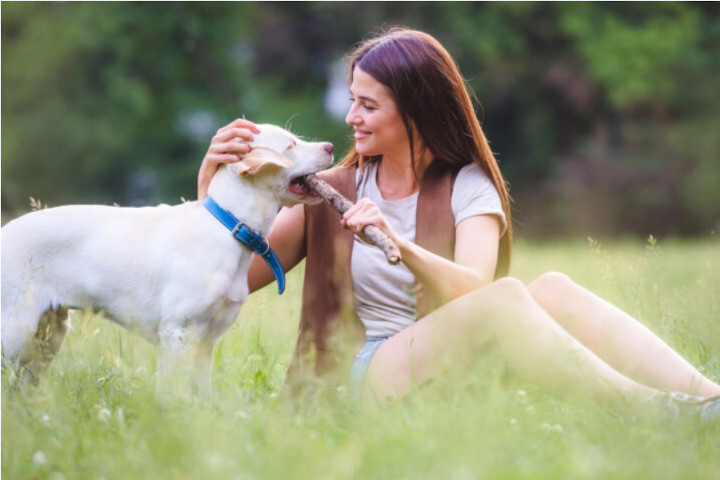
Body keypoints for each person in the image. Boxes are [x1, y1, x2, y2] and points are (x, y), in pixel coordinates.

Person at [197, 28, 720, 420]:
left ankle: (708, 400)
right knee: (512, 297)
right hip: (367, 373)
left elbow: (472, 290)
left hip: (454, 366)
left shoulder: (469, 186)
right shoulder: (331, 190)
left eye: (367, 104)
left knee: (553, 288)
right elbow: (224, 276)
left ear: (415, 111)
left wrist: (397, 243)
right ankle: (660, 415)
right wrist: (211, 179)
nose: (351, 116)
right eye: (353, 100)